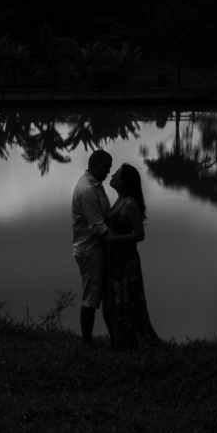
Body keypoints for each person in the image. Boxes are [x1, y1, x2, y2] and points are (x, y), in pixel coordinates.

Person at [102, 163, 161, 349]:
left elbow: (139, 235)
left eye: (117, 173)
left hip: (126, 260)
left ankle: (130, 342)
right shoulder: (118, 201)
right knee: (112, 299)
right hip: (113, 258)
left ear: (124, 181)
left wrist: (112, 240)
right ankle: (118, 341)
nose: (112, 175)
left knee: (126, 299)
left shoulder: (130, 204)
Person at [72, 149, 112, 346]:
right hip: (91, 251)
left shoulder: (96, 184)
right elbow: (98, 227)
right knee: (91, 298)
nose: (108, 172)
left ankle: (112, 338)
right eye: (106, 168)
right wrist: (125, 240)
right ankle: (87, 342)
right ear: (94, 165)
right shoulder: (88, 190)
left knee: (101, 296)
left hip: (96, 249)